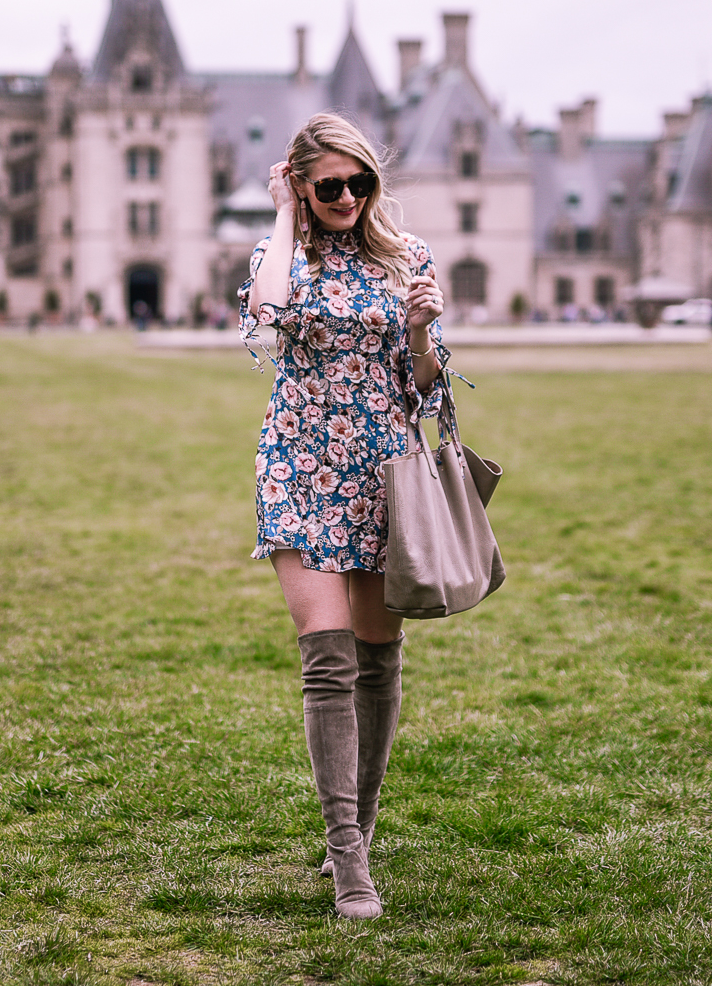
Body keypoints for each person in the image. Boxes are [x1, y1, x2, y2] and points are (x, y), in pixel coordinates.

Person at [238, 113, 448, 920]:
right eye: (332, 184)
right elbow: (266, 308)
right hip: (299, 465)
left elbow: (427, 389)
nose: (350, 196)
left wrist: (423, 331)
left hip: (382, 470)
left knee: (377, 659)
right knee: (326, 660)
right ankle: (350, 862)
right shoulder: (281, 255)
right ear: (301, 185)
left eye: (362, 181)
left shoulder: (409, 259)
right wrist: (287, 215)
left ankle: (355, 831)